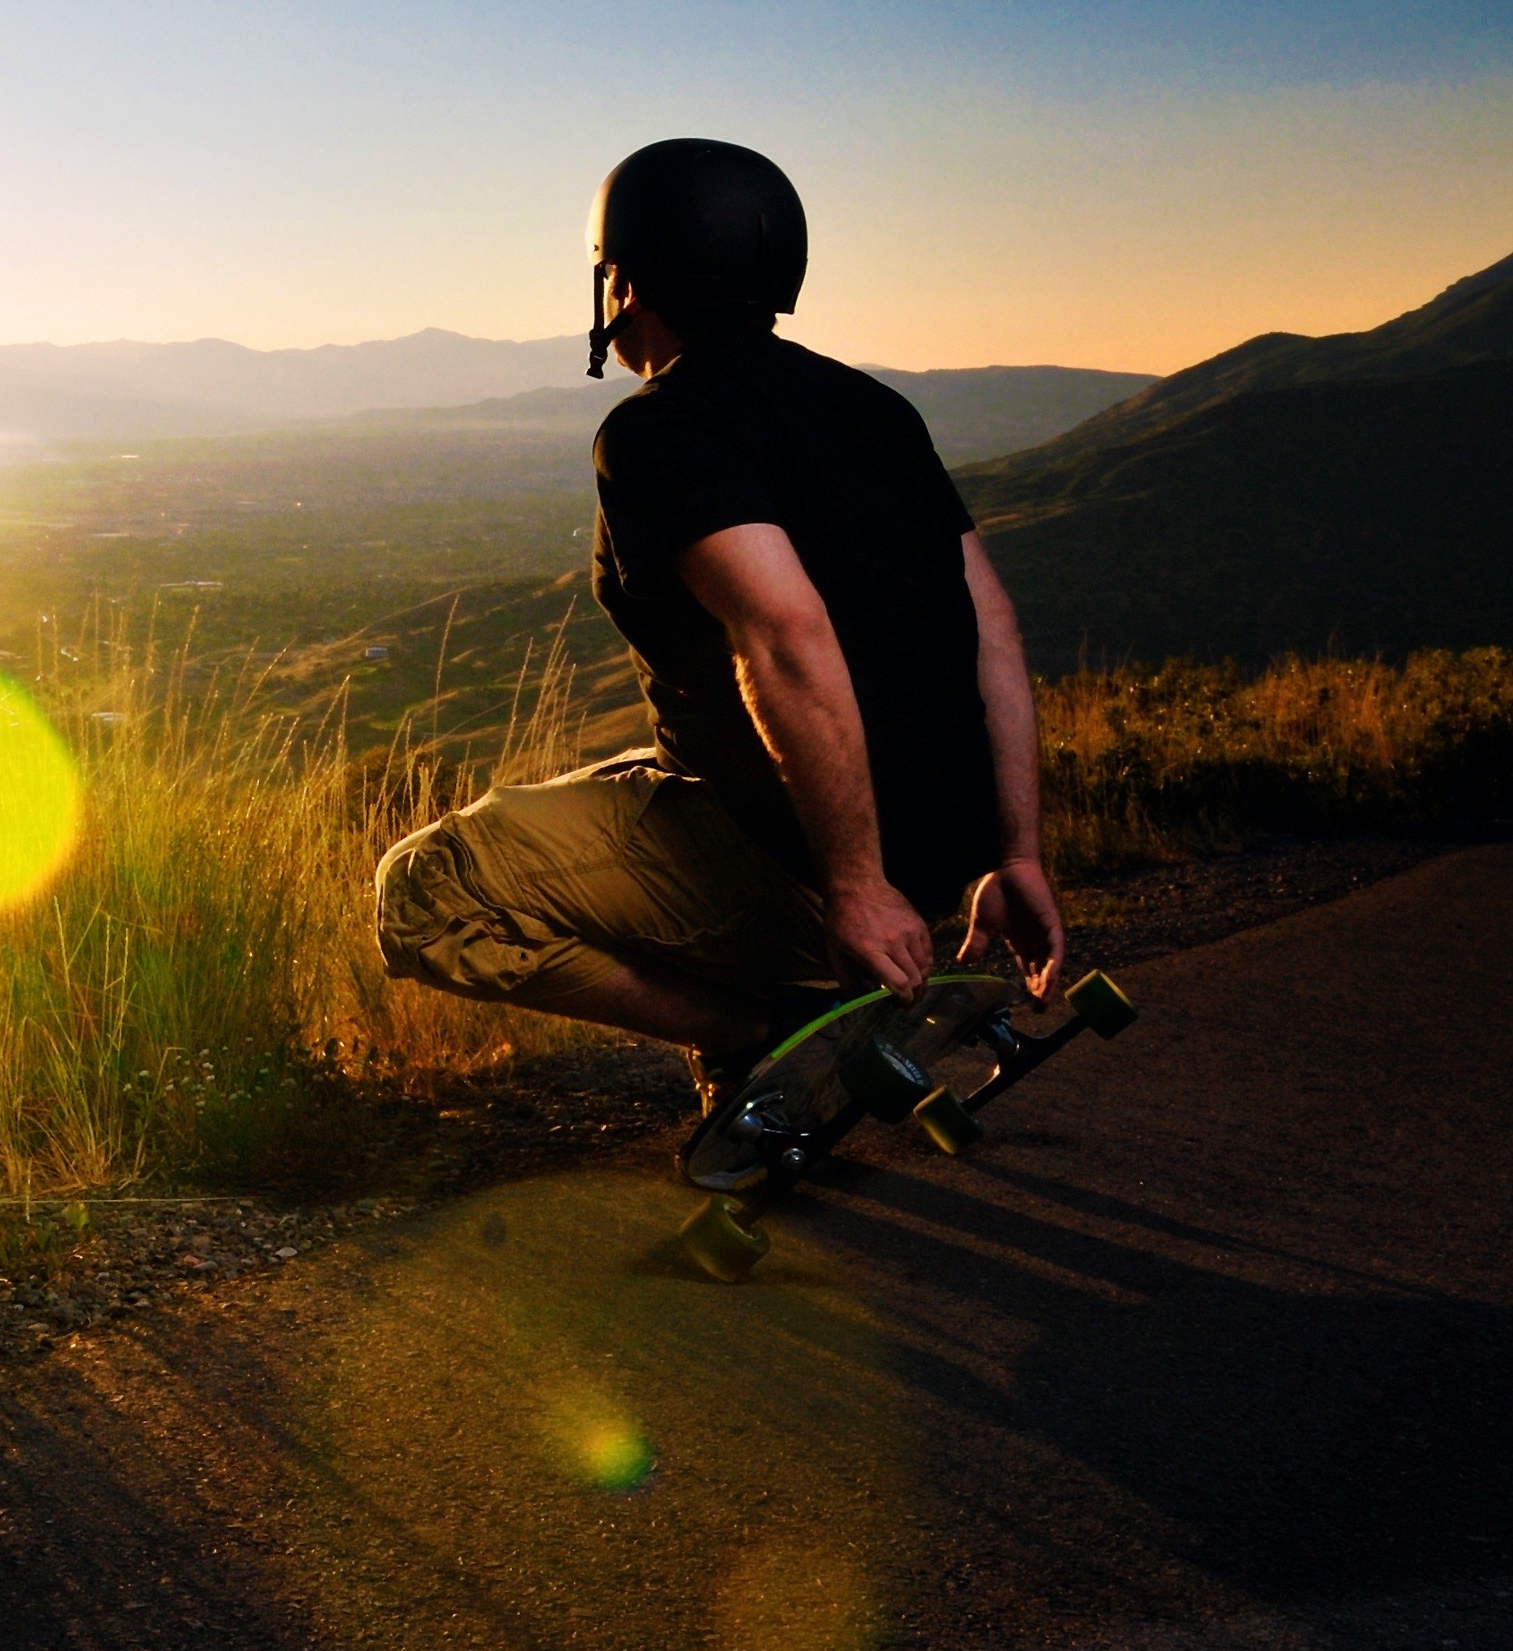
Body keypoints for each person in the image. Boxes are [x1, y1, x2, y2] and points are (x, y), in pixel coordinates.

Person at [370, 138, 1069, 1154]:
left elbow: (784, 637)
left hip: (814, 877)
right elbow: (991, 629)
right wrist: (1013, 858)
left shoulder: (660, 433)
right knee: (643, 770)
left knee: (424, 893)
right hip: (927, 869)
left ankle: (767, 1031)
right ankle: (753, 1054)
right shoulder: (876, 411)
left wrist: (856, 888)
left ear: (625, 278)